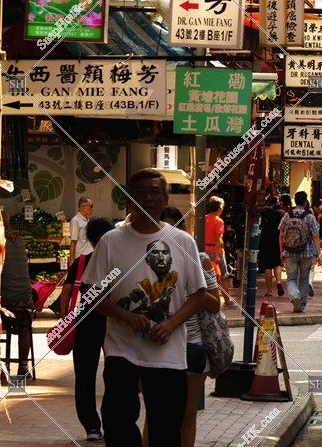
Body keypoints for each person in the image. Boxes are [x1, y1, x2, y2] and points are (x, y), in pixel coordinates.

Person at [82, 169, 206, 447]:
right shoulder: (111, 241)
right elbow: (92, 294)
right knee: (117, 421)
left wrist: (172, 324)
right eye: (140, 192)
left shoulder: (183, 242)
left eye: (154, 192)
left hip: (168, 354)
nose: (147, 198)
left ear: (164, 198)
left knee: (165, 428)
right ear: (129, 199)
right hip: (121, 350)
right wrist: (125, 316)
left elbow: (198, 294)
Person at [62, 217, 115, 443]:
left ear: (90, 240)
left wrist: (66, 319)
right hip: (114, 323)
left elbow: (66, 293)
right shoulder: (118, 263)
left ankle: (92, 426)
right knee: (115, 374)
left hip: (85, 322)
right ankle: (112, 421)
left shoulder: (82, 261)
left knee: (85, 376)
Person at [180, 252, 224, 447]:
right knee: (157, 414)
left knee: (188, 414)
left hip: (193, 346)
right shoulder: (151, 257)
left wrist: (194, 286)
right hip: (160, 346)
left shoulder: (200, 259)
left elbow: (216, 304)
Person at [0, 215, 35, 378]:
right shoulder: (19, 241)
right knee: (25, 329)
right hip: (25, 301)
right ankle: (23, 366)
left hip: (6, 304)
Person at [279, 191, 321, 313]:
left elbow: (281, 235)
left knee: (291, 279)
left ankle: (295, 295)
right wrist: (318, 254)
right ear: (305, 202)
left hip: (290, 253)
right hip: (306, 253)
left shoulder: (287, 215)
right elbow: (315, 236)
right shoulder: (309, 216)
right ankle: (301, 306)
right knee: (304, 279)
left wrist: (281, 251)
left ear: (295, 201)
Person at [203, 196, 235, 307]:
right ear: (219, 208)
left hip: (205, 250)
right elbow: (217, 239)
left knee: (206, 276)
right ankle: (227, 300)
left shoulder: (204, 218)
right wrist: (217, 255)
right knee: (223, 277)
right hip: (216, 251)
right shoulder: (219, 221)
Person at [258, 205, 284, 297]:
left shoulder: (265, 215)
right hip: (276, 241)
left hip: (266, 242)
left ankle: (269, 290)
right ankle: (278, 282)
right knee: (277, 264)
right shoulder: (281, 214)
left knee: (268, 266)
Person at [69, 197, 95, 262]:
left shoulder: (88, 220)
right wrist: (71, 259)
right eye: (91, 206)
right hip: (81, 256)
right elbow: (73, 241)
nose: (93, 209)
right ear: (83, 207)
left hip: (90, 254)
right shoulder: (75, 220)